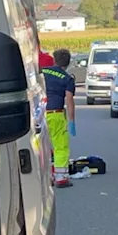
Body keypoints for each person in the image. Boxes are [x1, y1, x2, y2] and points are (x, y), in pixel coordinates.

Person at [42, 49, 76, 188]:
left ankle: (47, 175)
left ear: (54, 60)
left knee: (44, 146)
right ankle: (61, 178)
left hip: (39, 113)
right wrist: (72, 121)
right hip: (55, 114)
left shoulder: (43, 72)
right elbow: (69, 100)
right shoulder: (67, 79)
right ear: (68, 63)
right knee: (60, 146)